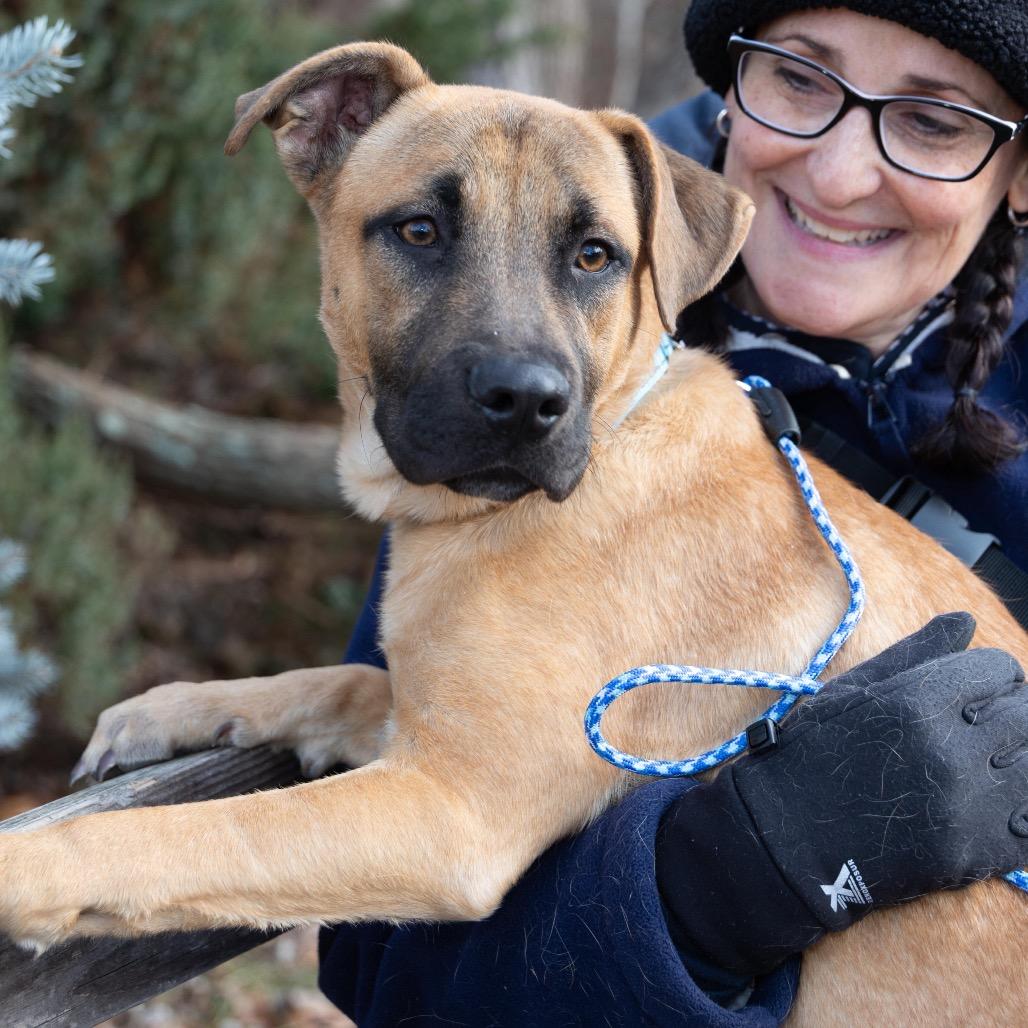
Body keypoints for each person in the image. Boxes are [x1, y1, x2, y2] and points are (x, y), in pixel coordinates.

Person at [318, 2, 1028, 1023]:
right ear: (731, 86)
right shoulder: (532, 372)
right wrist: (710, 891)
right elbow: (386, 973)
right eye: (799, 76)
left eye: (932, 121)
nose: (835, 173)